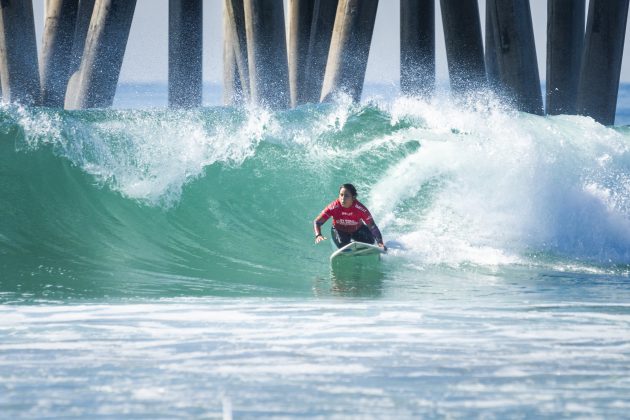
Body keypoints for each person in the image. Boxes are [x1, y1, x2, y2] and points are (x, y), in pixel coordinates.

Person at [314, 183, 387, 251]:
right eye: (341, 195)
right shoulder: (333, 207)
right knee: (343, 246)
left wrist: (380, 242)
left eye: (346, 195)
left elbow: (372, 226)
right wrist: (318, 235)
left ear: (353, 197)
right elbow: (317, 222)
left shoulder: (360, 208)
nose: (343, 198)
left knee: (370, 241)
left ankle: (358, 246)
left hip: (357, 230)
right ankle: (348, 248)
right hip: (339, 230)